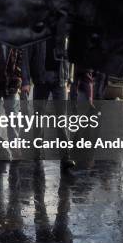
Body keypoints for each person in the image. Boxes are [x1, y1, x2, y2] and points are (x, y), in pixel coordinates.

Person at [27, 37, 76, 170]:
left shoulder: (63, 36)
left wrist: (70, 79)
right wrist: (27, 80)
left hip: (59, 79)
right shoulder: (38, 34)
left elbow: (71, 56)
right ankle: (37, 152)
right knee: (38, 117)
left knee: (62, 119)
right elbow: (27, 56)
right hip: (40, 79)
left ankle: (65, 156)